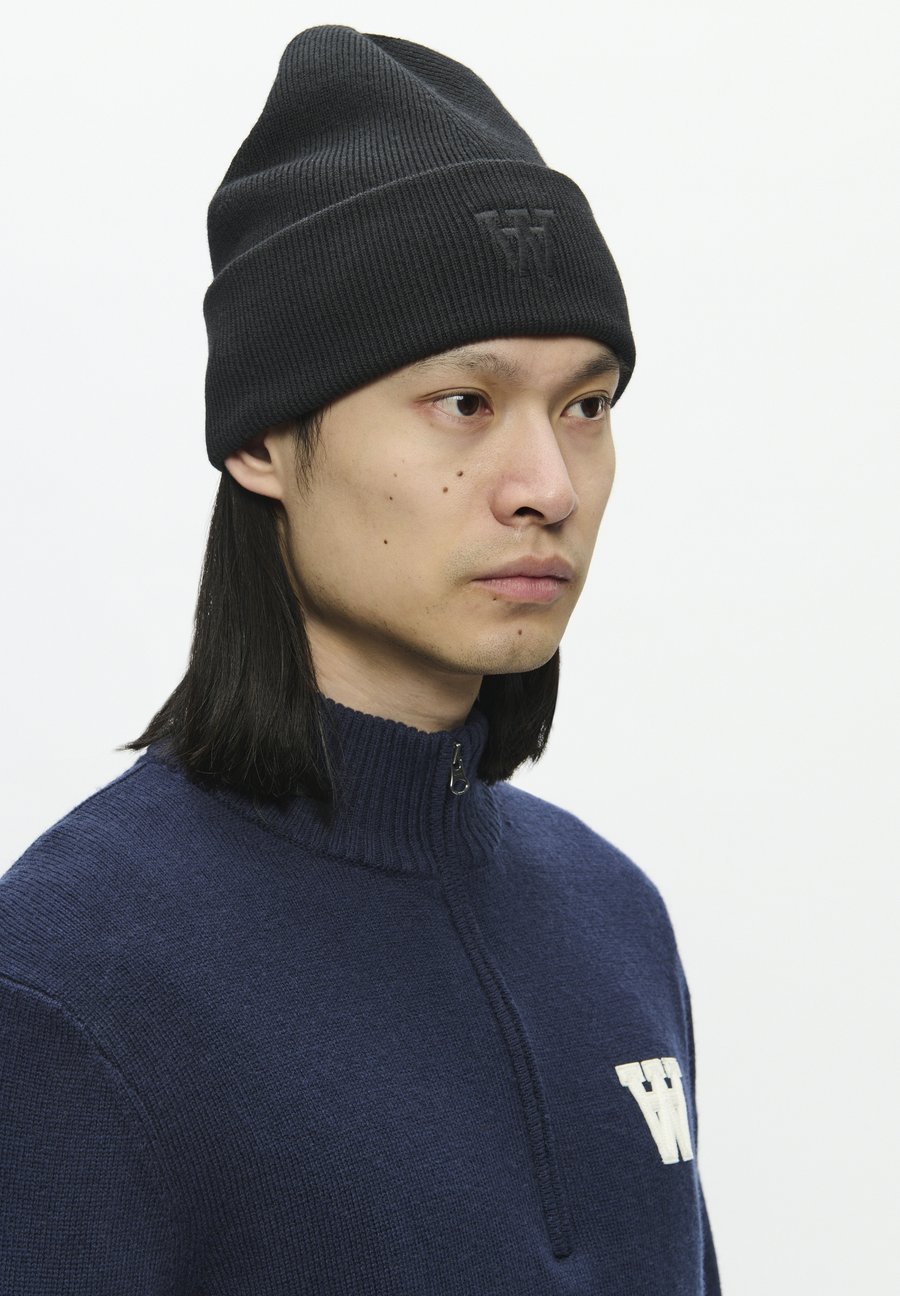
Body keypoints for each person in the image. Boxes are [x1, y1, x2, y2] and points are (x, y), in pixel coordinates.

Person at [0, 24, 721, 1294]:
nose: (548, 485)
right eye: (464, 403)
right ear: (262, 441)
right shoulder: (70, 984)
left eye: (586, 406)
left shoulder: (614, 919)